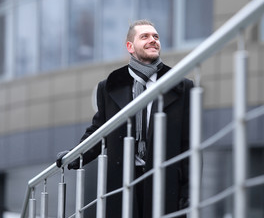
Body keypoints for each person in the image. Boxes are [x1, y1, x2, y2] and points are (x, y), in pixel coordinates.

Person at [57, 19, 192, 218]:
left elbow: (188, 144)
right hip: (122, 181)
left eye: (156, 36)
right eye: (144, 36)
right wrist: (76, 154)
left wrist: (189, 191)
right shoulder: (110, 86)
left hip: (166, 182)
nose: (153, 40)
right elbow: (99, 129)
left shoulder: (180, 86)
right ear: (130, 46)